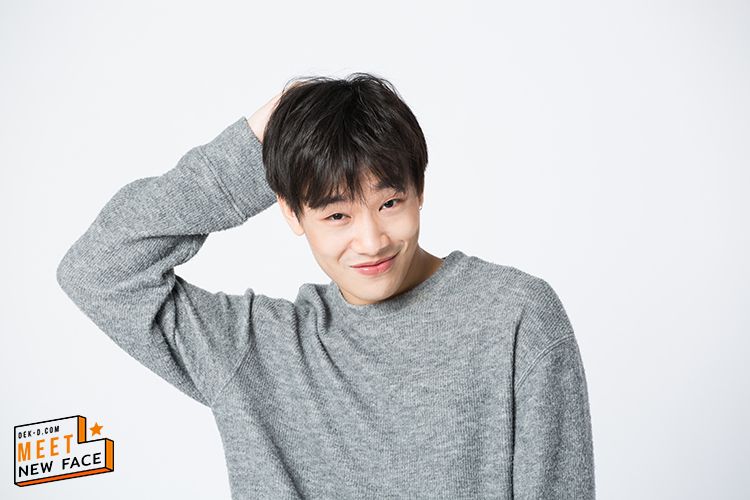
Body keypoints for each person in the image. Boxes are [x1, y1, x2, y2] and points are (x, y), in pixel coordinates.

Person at [56, 72, 595, 499]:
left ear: (419, 190)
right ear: (292, 212)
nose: (372, 240)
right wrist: (251, 147)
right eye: (337, 215)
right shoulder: (257, 349)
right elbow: (98, 269)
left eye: (390, 203)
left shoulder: (515, 317)